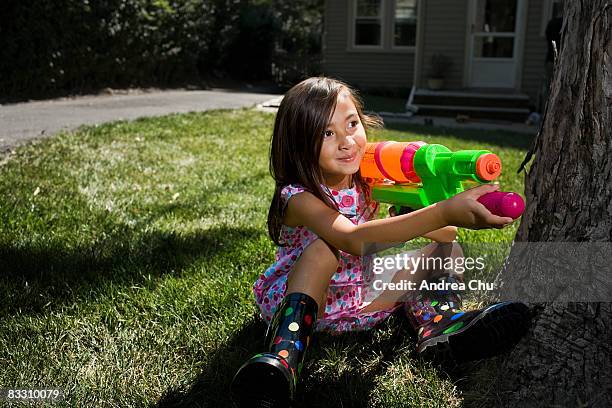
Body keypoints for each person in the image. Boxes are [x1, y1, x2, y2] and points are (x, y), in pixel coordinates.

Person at [230, 77, 531, 407]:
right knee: (323, 250)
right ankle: (284, 358)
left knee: (448, 252)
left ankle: (438, 328)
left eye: (352, 124)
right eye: (327, 133)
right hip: (310, 303)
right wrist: (443, 212)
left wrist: (428, 207)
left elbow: (446, 236)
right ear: (299, 143)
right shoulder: (298, 197)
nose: (347, 141)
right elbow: (352, 240)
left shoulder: (368, 180)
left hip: (363, 295)